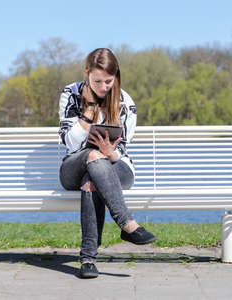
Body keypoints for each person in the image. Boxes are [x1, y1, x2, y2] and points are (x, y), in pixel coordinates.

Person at [58, 48, 156, 278]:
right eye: (97, 81)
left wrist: (110, 153)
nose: (103, 87)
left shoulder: (125, 102)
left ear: (116, 76)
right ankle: (127, 224)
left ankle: (88, 260)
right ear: (86, 73)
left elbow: (122, 150)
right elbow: (71, 144)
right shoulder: (70, 94)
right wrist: (89, 111)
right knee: (92, 157)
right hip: (74, 166)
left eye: (108, 81)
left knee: (94, 175)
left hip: (116, 167)